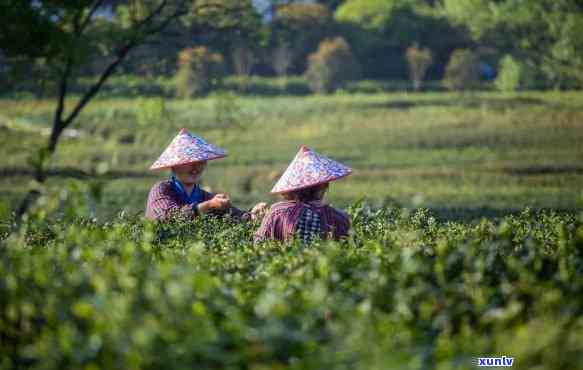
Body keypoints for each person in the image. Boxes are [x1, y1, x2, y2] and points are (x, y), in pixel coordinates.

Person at [145, 128, 266, 221]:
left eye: (201, 162)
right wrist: (207, 206)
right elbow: (168, 217)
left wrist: (254, 214)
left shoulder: (205, 197)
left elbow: (238, 217)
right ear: (174, 166)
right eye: (190, 163)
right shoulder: (161, 190)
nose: (195, 168)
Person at [254, 146, 352, 243]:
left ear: (291, 189)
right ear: (324, 186)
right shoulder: (339, 218)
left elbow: (259, 244)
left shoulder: (277, 212)